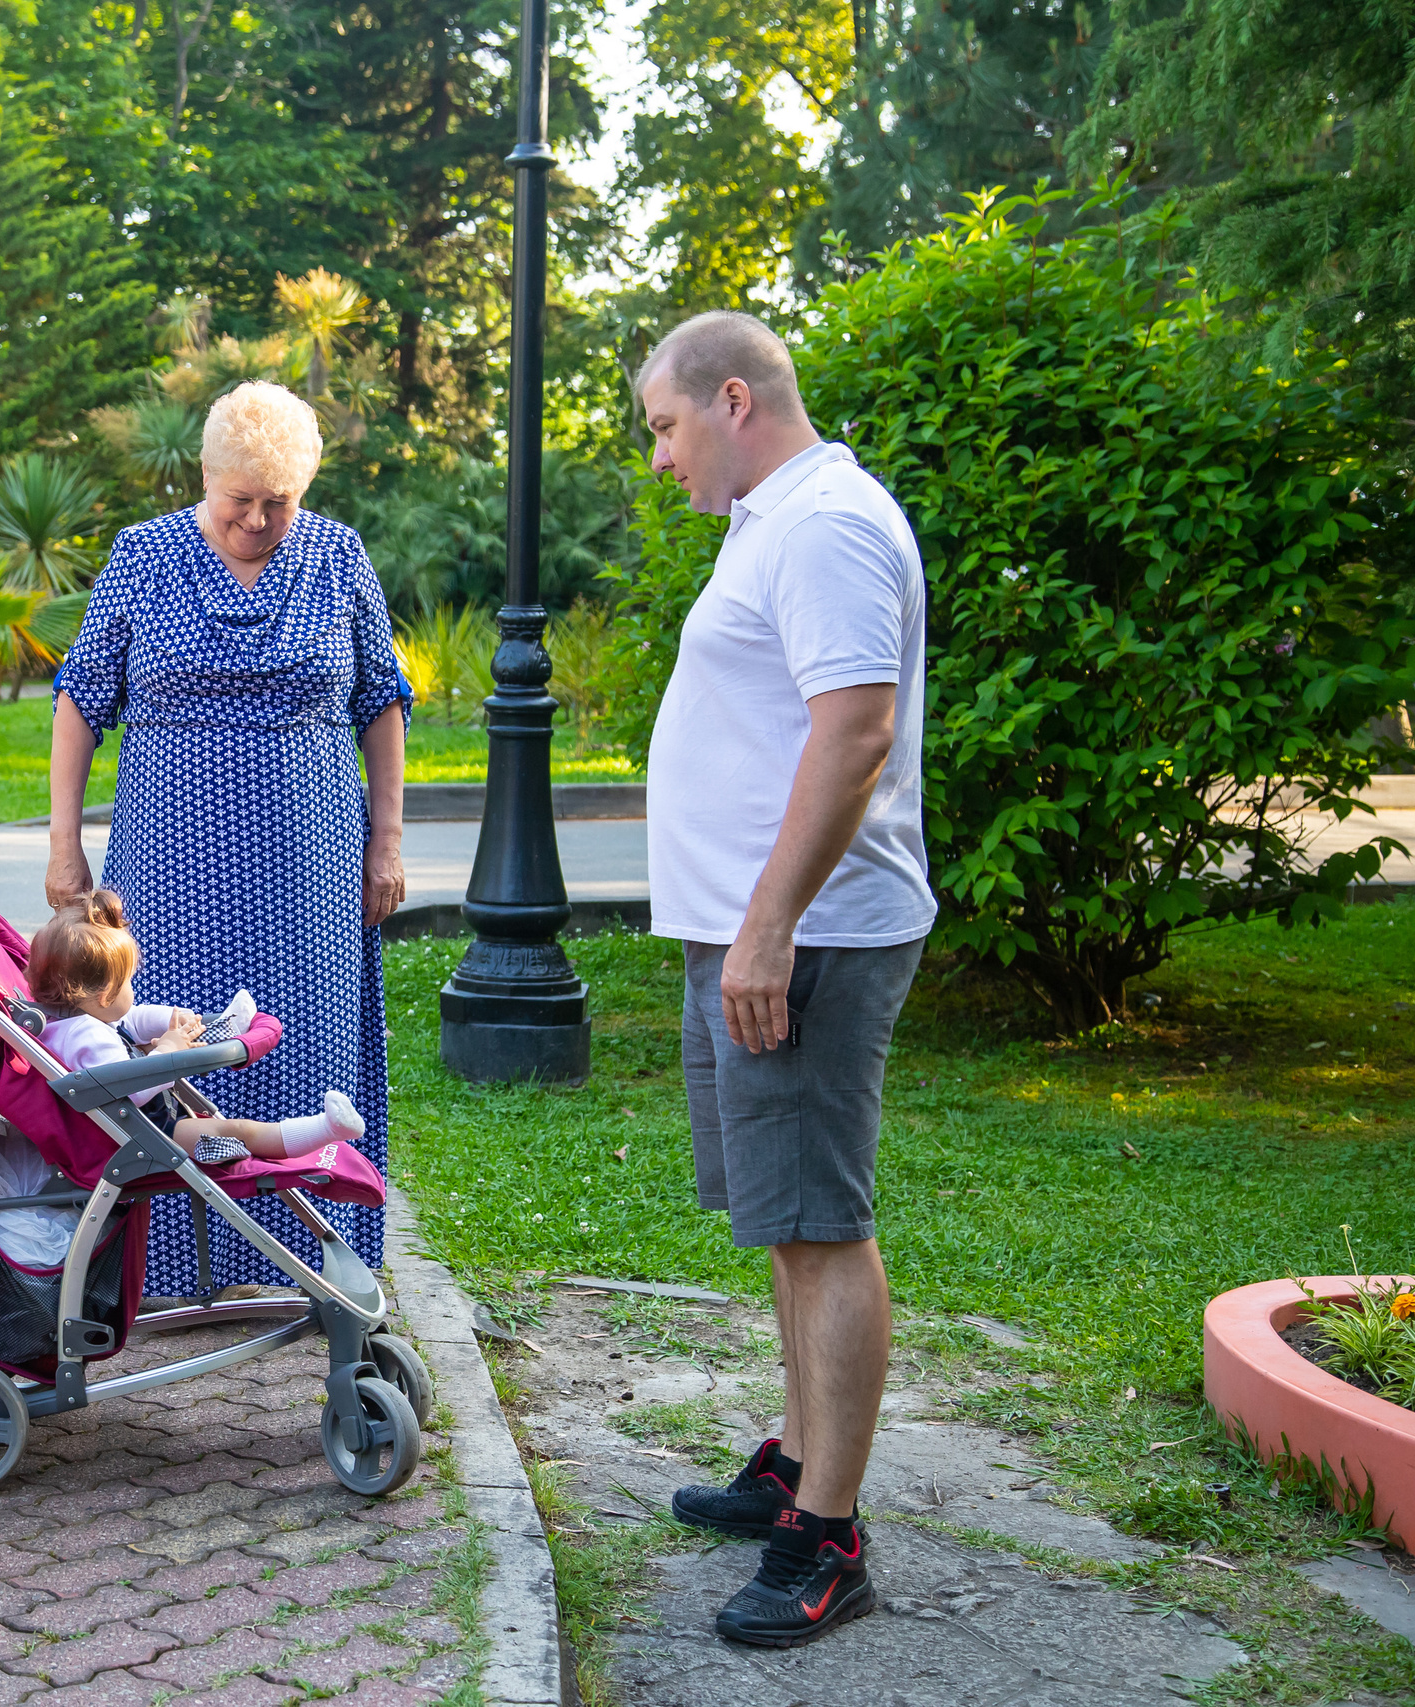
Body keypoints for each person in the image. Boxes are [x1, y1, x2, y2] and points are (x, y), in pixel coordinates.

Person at [636, 310, 934, 1647]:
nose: (658, 456)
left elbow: (856, 728)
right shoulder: (773, 517)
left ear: (735, 399)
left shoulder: (826, 524)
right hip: (753, 929)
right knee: (783, 1214)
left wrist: (768, 927)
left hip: (807, 935)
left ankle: (833, 1532)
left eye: (664, 424)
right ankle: (804, 1458)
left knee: (822, 1218)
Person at [47, 381, 410, 1299]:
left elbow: (381, 701)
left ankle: (311, 1257)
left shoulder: (337, 555)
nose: (257, 519)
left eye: (278, 501)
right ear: (204, 475)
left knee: (307, 1046)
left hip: (314, 863)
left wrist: (389, 839)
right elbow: (81, 699)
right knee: (167, 1048)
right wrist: (63, 843)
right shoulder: (142, 555)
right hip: (170, 863)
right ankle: (167, 1268)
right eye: (238, 499)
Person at [28, 888, 365, 1162]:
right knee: (241, 1129)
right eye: (129, 981)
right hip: (146, 1132)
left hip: (144, 1125)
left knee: (226, 1130)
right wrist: (168, 1049)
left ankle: (220, 1148)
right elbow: (131, 1088)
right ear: (104, 996)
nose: (133, 988)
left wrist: (174, 1019)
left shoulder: (74, 1021)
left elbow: (132, 1018)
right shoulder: (85, 1035)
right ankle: (327, 1130)